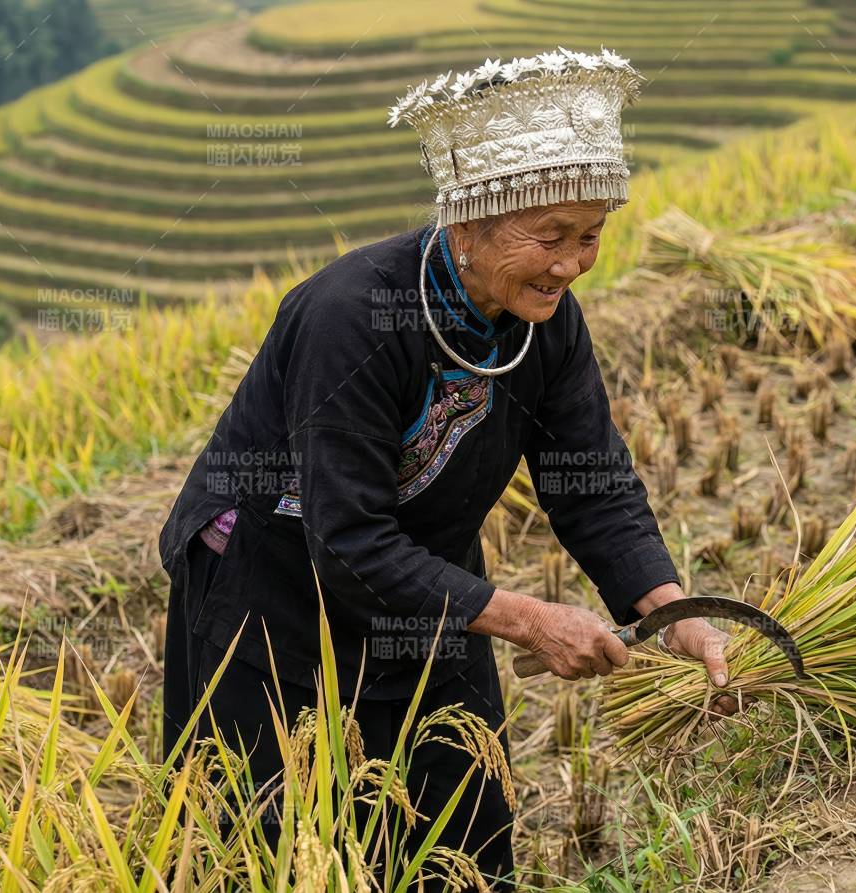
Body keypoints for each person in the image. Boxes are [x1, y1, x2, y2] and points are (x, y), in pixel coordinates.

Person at [156, 47, 737, 891]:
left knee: (461, 839)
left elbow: (592, 482)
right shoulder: (352, 318)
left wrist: (669, 605)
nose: (572, 264)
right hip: (274, 593)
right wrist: (533, 620)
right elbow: (348, 538)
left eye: (592, 236)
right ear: (469, 226)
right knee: (271, 846)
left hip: (429, 580)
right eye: (551, 238)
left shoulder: (547, 322)